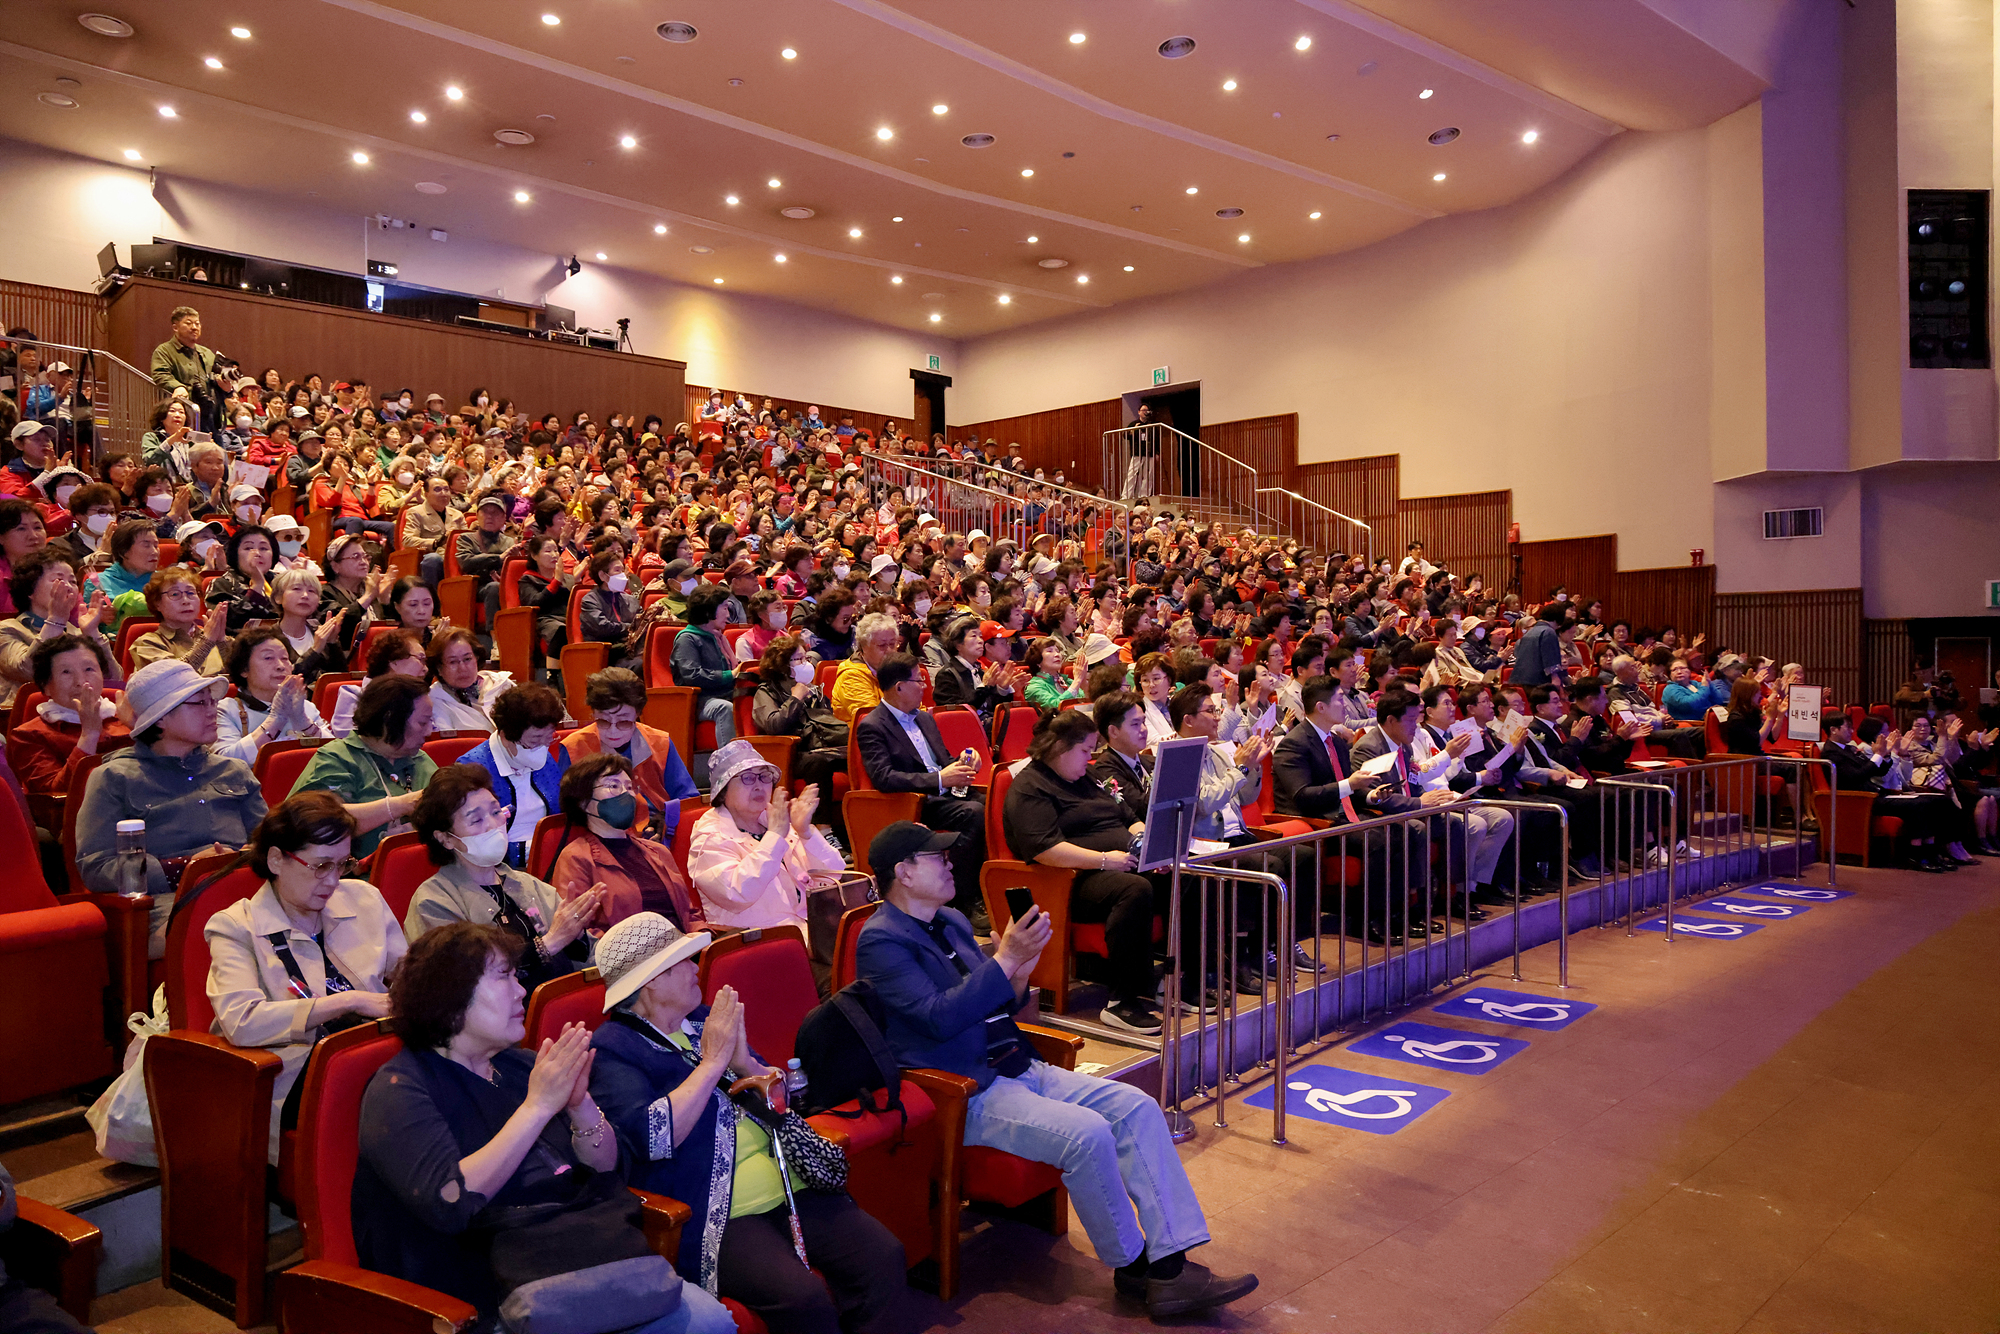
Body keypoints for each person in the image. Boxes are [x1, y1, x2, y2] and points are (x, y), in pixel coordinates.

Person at [856, 820, 1255, 1318]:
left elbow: (999, 1003)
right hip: (966, 1088)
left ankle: (1171, 1261)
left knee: (1137, 1106)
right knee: (1088, 1134)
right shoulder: (881, 941)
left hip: (1017, 1062)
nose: (949, 861)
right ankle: (1133, 1268)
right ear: (904, 872)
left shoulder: (953, 920)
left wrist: (1019, 971)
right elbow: (938, 1018)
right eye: (936, 857)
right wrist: (1004, 961)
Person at [353, 922, 735, 1334]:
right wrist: (538, 1106)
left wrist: (580, 1107)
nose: (521, 991)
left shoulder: (519, 1066)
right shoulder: (400, 1089)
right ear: (450, 996)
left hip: (573, 1256)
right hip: (483, 1289)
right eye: (503, 977)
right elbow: (451, 1203)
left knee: (713, 1320)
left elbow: (611, 1168)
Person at [587, 912, 909, 1333]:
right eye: (682, 961)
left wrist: (746, 1065)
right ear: (650, 982)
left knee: (882, 1257)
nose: (694, 968)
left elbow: (777, 1092)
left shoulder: (702, 1018)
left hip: (787, 1179)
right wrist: (714, 1062)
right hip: (718, 1212)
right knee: (803, 1299)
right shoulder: (614, 1048)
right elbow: (654, 1138)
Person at [202, 794, 404, 1162]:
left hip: (376, 1054)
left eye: (342, 864)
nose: (333, 880)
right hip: (297, 1077)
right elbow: (241, 1021)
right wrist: (350, 1001)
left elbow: (408, 975)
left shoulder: (363, 898)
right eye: (321, 865)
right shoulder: (236, 926)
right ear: (277, 859)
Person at [75, 660, 270, 956]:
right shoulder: (115, 778)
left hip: (246, 891)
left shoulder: (233, 770)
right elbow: (96, 867)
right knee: (230, 935)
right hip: (168, 904)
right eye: (198, 703)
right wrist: (185, 869)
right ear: (161, 718)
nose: (211, 711)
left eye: (212, 701)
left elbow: (270, 843)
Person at [1001, 708, 1160, 1033]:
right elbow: (1045, 849)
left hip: (1117, 864)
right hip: (1068, 881)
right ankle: (1121, 1001)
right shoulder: (1030, 786)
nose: (1091, 757)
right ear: (1060, 748)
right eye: (1085, 750)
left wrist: (1145, 843)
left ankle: (1170, 978)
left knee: (1177, 875)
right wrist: (1105, 859)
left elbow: (1128, 815)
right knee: (1133, 889)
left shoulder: (1087, 776)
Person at [406, 762, 602, 987]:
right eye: (476, 820)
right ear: (445, 838)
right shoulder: (434, 901)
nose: (493, 825)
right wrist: (548, 944)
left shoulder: (528, 884)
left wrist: (576, 935)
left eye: (496, 811)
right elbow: (459, 984)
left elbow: (587, 958)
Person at [854, 653, 988, 930]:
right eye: (919, 681)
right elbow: (884, 778)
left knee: (998, 804)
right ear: (899, 686)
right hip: (913, 802)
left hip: (943, 793)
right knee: (973, 813)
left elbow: (943, 761)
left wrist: (964, 762)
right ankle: (964, 899)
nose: (924, 686)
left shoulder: (925, 719)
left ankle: (989, 889)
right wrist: (939, 779)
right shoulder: (872, 725)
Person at [686, 739, 843, 934]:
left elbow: (835, 875)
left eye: (764, 777)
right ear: (723, 790)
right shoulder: (709, 837)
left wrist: (805, 833)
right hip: (759, 945)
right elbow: (737, 894)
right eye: (748, 778)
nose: (759, 786)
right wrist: (775, 836)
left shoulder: (772, 818)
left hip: (808, 931)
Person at [550, 753, 707, 932]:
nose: (626, 793)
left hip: (683, 949)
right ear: (583, 801)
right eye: (613, 786)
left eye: (629, 786)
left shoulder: (658, 851)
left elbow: (689, 913)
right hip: (628, 957)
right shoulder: (575, 858)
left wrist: (703, 938)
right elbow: (580, 931)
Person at [289, 674, 434, 859]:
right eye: (422, 722)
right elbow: (319, 825)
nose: (429, 731)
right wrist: (402, 805)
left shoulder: (420, 759)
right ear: (390, 719)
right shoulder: (337, 758)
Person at [561, 667, 699, 841]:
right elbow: (566, 812)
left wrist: (666, 816)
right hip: (599, 838)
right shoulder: (572, 748)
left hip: (656, 836)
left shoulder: (660, 742)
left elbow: (688, 798)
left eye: (624, 722)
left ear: (638, 715)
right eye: (602, 721)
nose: (613, 730)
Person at [459, 682, 569, 870]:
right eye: (535, 739)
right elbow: (470, 839)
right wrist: (524, 852)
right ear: (505, 735)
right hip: (498, 866)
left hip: (550, 856)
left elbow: (561, 813)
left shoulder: (544, 756)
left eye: (549, 737)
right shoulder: (471, 768)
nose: (544, 746)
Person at [9, 633, 128, 797]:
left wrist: (141, 731)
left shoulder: (125, 718)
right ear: (45, 686)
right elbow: (55, 795)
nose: (81, 681)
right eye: (66, 672)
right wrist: (89, 735)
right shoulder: (28, 736)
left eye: (89, 669)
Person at [1, 549, 112, 709]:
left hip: (82, 711)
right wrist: (55, 621)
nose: (68, 586)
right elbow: (27, 672)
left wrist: (92, 633)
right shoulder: (7, 629)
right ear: (30, 590)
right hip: (28, 716)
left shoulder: (77, 632)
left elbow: (113, 678)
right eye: (58, 579)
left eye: (73, 581)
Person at [749, 635, 847, 802]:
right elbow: (773, 726)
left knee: (861, 751)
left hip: (821, 746)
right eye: (799, 659)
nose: (806, 664)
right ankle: (822, 825)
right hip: (791, 752)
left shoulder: (814, 689)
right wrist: (795, 699)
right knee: (817, 762)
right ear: (782, 665)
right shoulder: (766, 691)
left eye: (806, 658)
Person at [212, 627, 332, 763]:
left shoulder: (306, 708)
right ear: (244, 669)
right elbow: (224, 763)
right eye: (268, 658)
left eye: (285, 658)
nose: (280, 666)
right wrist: (275, 720)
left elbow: (336, 756)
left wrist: (304, 722)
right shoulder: (226, 709)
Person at [668, 584, 739, 783]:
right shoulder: (687, 639)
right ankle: (729, 772)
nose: (728, 612)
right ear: (709, 611)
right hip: (699, 700)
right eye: (724, 607)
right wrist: (729, 675)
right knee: (724, 709)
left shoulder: (718, 638)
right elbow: (692, 674)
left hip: (724, 692)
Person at [128, 567, 228, 676]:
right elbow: (175, 678)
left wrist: (221, 641)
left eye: (190, 593)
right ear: (157, 603)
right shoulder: (147, 643)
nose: (185, 601)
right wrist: (207, 642)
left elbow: (242, 677)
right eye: (175, 594)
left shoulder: (213, 635)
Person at [428, 627, 513, 733]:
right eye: (453, 662)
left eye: (467, 659)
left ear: (476, 658)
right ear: (438, 668)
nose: (462, 668)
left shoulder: (503, 685)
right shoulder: (432, 702)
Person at [149, 305, 221, 428]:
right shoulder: (164, 350)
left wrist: (223, 383)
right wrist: (178, 387)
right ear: (175, 327)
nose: (194, 327)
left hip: (209, 414)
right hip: (183, 413)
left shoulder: (207, 353)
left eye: (197, 324)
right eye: (188, 323)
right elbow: (160, 374)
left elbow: (215, 376)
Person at [830, 610, 899, 725]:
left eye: (892, 644)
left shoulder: (899, 670)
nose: (889, 651)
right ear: (863, 647)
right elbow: (874, 720)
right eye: (882, 645)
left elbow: (915, 708)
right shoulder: (851, 676)